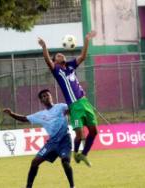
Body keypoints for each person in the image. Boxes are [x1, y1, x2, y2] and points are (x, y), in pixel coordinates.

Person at [38, 31, 98, 167]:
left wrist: (87, 39)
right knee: (79, 134)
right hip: (74, 106)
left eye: (62, 54)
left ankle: (83, 154)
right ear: (55, 61)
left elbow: (82, 56)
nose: (61, 55)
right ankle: (76, 153)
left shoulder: (71, 66)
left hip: (84, 102)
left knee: (94, 132)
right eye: (58, 56)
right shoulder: (57, 71)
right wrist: (44, 47)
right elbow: (48, 60)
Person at [3, 89, 75, 188]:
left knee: (65, 161)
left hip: (64, 140)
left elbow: (73, 108)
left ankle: (72, 186)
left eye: (47, 95)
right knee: (35, 162)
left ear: (51, 97)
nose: (46, 97)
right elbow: (24, 119)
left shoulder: (61, 106)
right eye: (43, 96)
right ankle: (28, 186)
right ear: (41, 101)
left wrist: (76, 104)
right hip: (52, 142)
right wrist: (11, 114)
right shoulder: (40, 115)